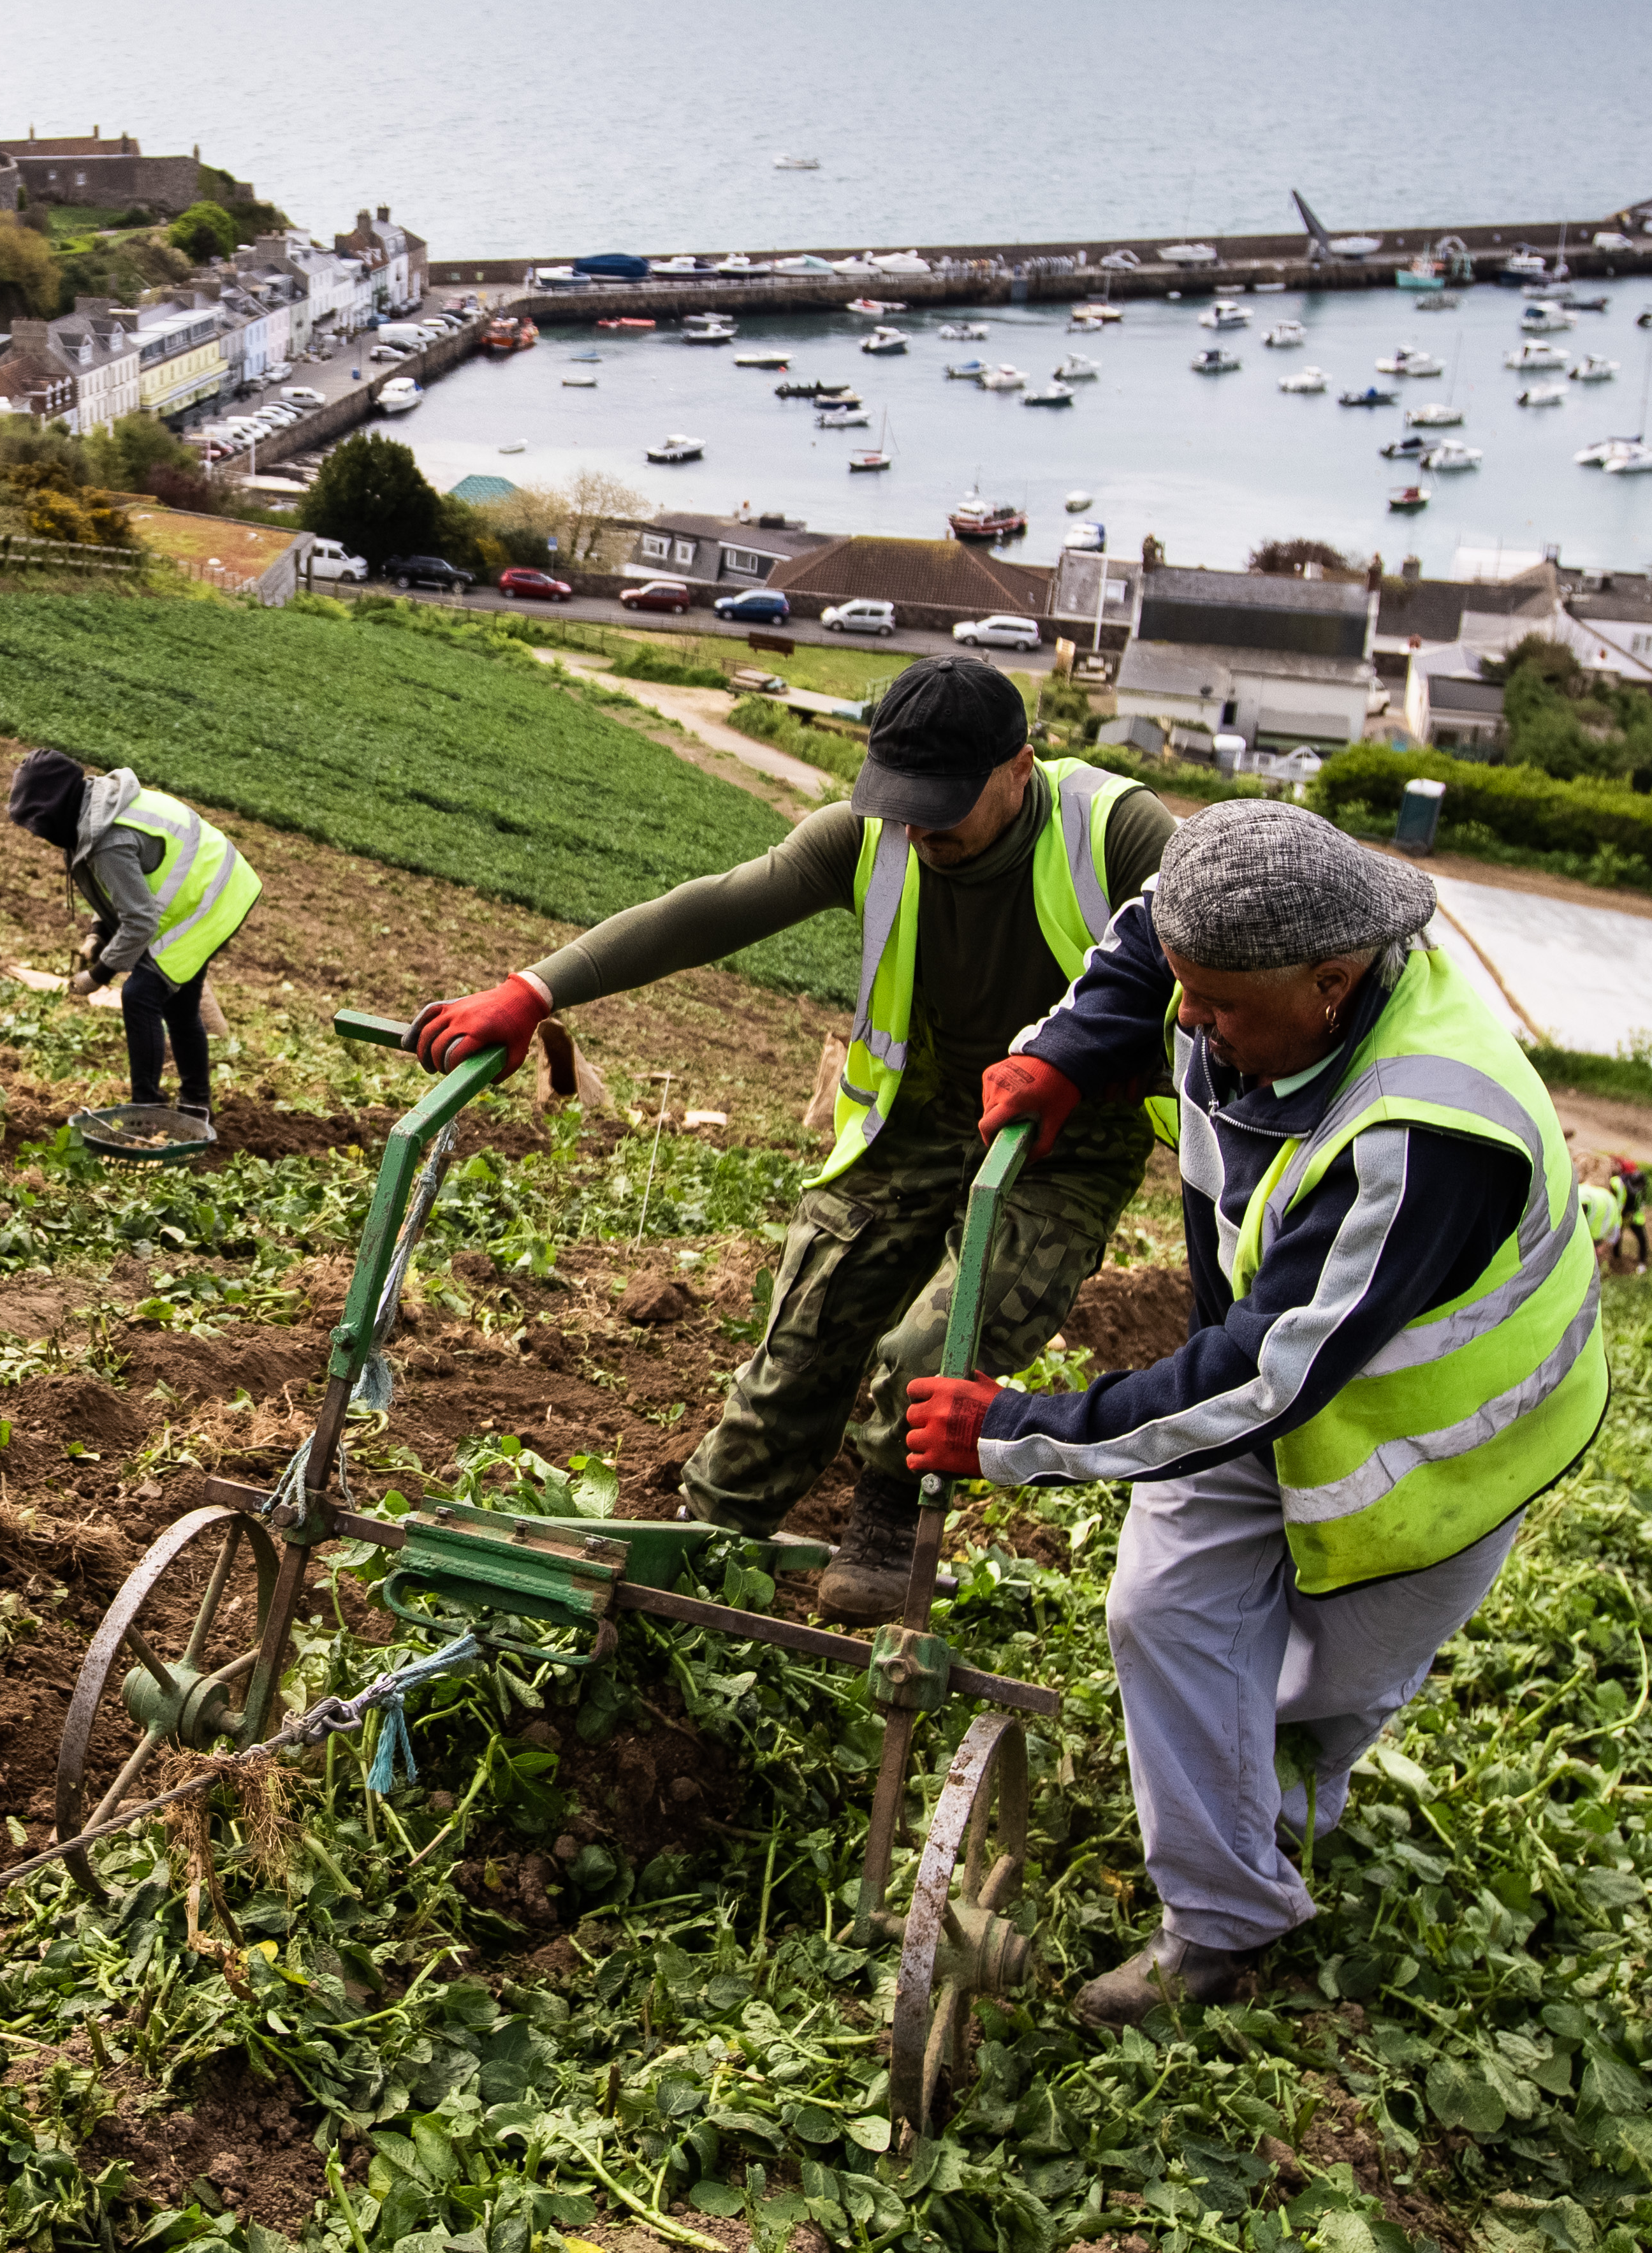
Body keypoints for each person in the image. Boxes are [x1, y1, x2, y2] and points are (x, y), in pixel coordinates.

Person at [900, 799, 1600, 2027]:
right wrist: (1070, 1048)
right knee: (1163, 1608)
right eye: (1188, 990)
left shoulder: (1429, 1131)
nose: (1189, 1021)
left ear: (1332, 983)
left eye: (1217, 1006)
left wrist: (1017, 1430)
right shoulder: (1228, 947)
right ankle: (1224, 1926)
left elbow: (1266, 1377)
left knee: (1326, 1690)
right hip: (1268, 1362)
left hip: (1438, 1445)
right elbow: (1138, 945)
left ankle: (1274, 1807)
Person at [400, 658, 1174, 1624]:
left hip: (1068, 1134)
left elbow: (1221, 956)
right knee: (808, 1322)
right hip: (919, 1113)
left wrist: (1100, 1054)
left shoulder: (1117, 832)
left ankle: (888, 1508)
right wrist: (535, 990)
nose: (918, 832)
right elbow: (717, 905)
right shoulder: (876, 835)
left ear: (1018, 769)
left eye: (943, 807)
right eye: (901, 804)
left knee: (939, 1337)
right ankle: (713, 1528)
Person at [8, 750, 260, 1123]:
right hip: (223, 883)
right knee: (180, 1004)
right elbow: (125, 888)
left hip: (211, 901)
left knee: (140, 993)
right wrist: (98, 933)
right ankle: (196, 1105)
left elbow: (140, 922)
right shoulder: (100, 807)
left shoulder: (108, 839)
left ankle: (148, 1108)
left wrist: (98, 976)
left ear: (54, 812)